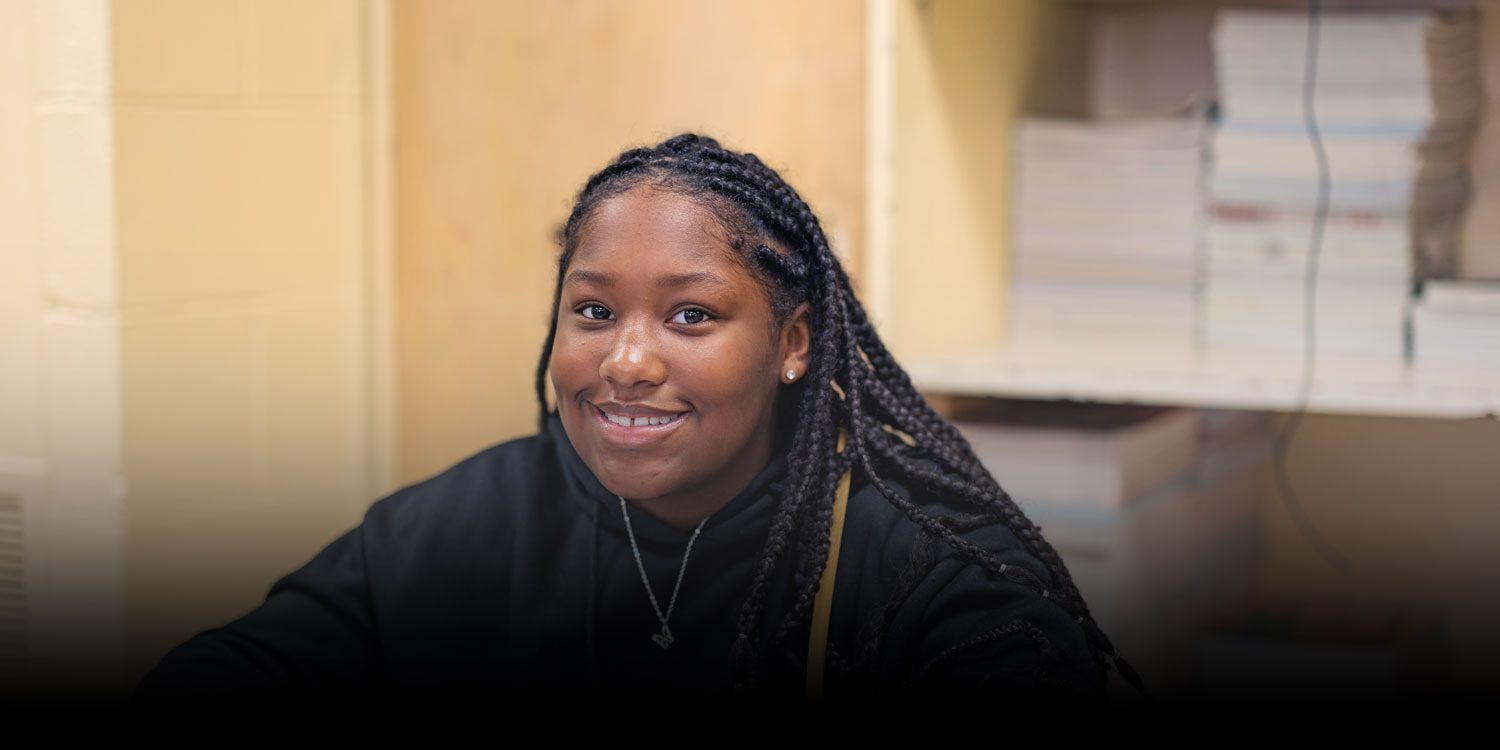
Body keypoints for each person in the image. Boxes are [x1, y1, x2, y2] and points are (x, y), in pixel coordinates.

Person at [131, 133, 1144, 704]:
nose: (625, 360)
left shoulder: (925, 560)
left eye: (692, 315)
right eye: (594, 311)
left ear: (794, 343)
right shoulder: (457, 524)